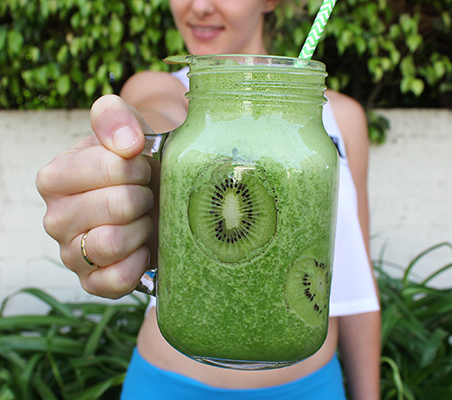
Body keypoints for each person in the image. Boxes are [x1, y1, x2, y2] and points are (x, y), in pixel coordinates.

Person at [36, 0, 381, 399]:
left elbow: (356, 277)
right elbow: (161, 117)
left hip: (311, 386)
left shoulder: (338, 117)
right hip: (169, 384)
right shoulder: (163, 89)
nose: (199, 6)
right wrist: (130, 160)